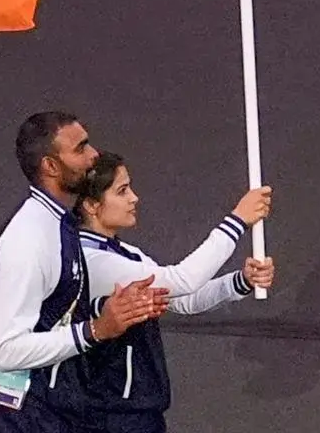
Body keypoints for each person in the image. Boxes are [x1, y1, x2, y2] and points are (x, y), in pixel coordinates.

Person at [0, 112, 168, 433]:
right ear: (50, 166)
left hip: (54, 408)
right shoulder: (26, 238)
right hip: (22, 415)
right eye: (80, 149)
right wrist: (95, 330)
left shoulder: (59, 225)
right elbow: (8, 351)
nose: (94, 155)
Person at [70, 151, 275, 432]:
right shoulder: (92, 261)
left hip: (137, 412)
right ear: (92, 205)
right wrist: (238, 220)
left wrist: (241, 281)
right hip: (110, 416)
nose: (134, 198)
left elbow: (183, 301)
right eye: (122, 191)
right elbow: (183, 279)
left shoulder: (125, 254)